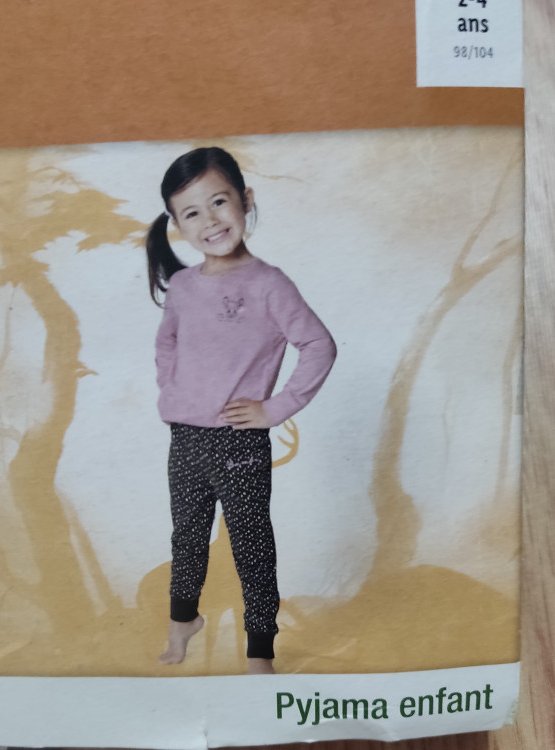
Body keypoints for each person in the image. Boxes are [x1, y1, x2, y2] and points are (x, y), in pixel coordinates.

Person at [146, 146, 336, 675]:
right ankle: (182, 621)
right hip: (185, 438)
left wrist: (276, 408)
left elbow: (318, 345)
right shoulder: (182, 286)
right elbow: (166, 343)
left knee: (251, 546)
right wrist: (174, 392)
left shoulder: (269, 284)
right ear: (177, 225)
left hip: (238, 443)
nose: (210, 221)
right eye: (192, 212)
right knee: (187, 537)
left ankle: (260, 653)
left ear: (245, 200)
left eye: (219, 202)